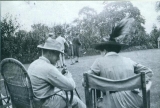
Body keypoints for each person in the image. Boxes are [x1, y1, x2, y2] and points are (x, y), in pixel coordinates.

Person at [86, 18, 153, 108]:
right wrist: (138, 85)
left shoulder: (99, 62)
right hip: (133, 101)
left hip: (109, 103)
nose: (101, 54)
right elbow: (148, 72)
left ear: (105, 50)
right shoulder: (129, 60)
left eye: (101, 52)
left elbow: (85, 80)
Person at [28, 38, 86, 108]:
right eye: (57, 54)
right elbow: (71, 86)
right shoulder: (48, 68)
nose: (58, 58)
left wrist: (60, 75)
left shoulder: (34, 63)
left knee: (61, 93)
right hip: (44, 103)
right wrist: (68, 76)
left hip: (34, 101)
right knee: (75, 100)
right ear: (49, 53)